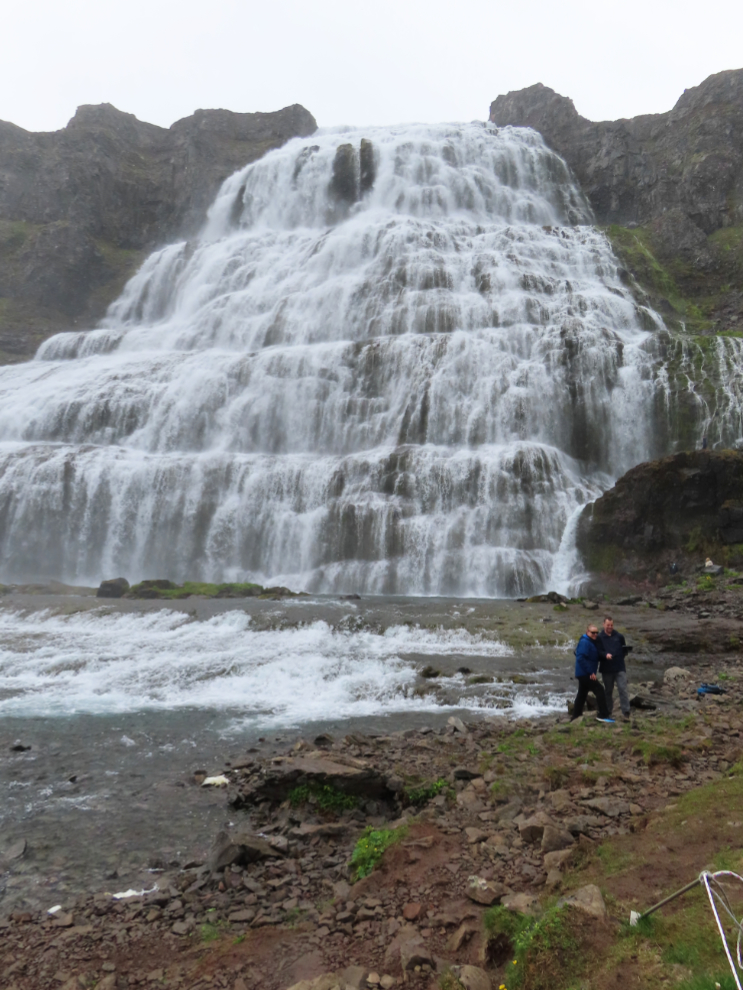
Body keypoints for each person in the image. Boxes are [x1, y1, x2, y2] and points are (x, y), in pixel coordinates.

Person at [572, 624, 614, 722]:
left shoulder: (591, 642)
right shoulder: (584, 642)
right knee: (599, 689)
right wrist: (590, 672)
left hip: (583, 673)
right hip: (585, 673)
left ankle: (575, 716)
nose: (595, 634)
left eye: (596, 633)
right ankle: (603, 715)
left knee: (582, 694)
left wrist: (605, 656)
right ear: (587, 632)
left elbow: (594, 656)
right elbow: (580, 658)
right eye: (592, 633)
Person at [598, 615, 631, 721]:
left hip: (619, 667)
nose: (610, 627)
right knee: (608, 691)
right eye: (608, 625)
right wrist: (605, 655)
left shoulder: (619, 636)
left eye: (611, 625)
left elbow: (624, 650)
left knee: (623, 689)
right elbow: (598, 652)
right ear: (603, 624)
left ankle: (626, 712)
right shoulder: (599, 637)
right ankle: (608, 711)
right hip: (606, 668)